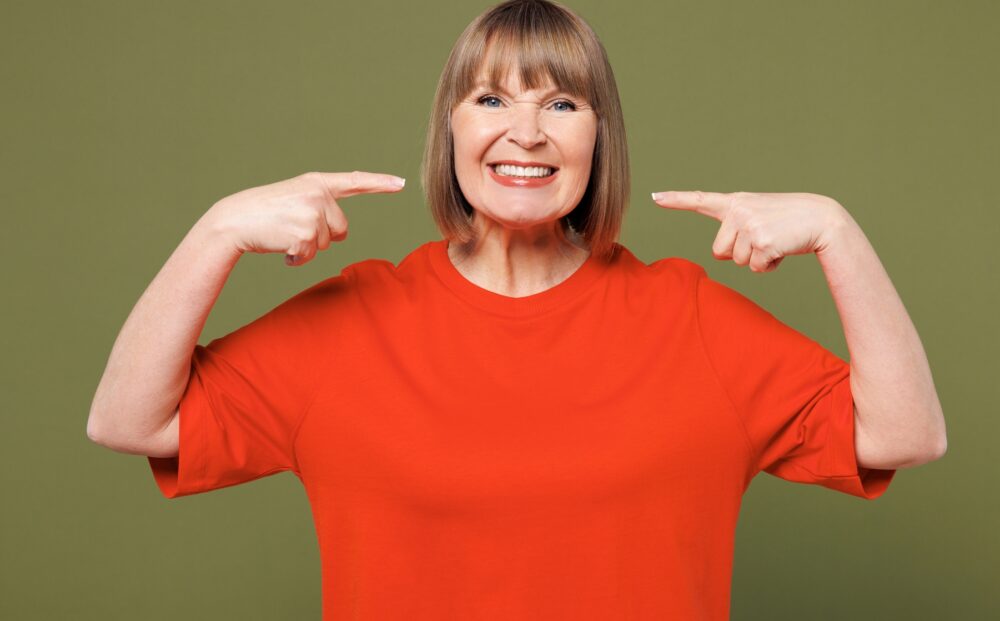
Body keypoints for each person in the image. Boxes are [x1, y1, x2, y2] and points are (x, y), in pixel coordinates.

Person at [87, 0, 947, 619]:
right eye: (492, 99)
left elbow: (905, 435)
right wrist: (216, 232)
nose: (526, 133)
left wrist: (840, 232)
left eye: (562, 103)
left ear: (598, 137)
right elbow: (128, 419)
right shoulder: (354, 319)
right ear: (451, 130)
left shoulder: (688, 319)